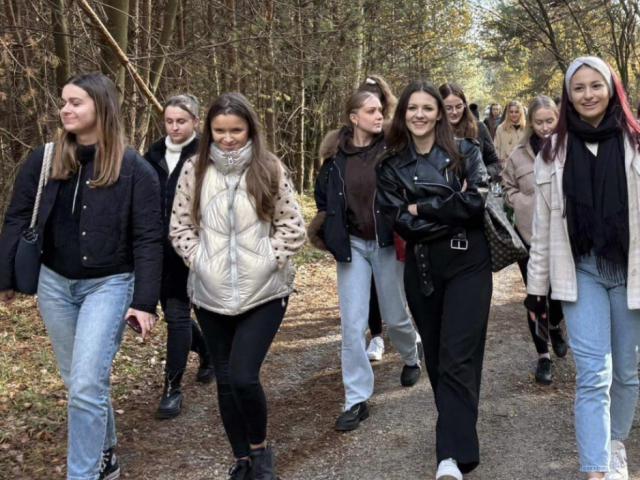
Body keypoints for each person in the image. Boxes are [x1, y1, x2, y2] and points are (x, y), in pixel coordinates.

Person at [0, 72, 162, 480]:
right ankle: (106, 454)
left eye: (76, 102)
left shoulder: (134, 168)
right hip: (54, 284)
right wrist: (4, 276)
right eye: (63, 102)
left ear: (101, 107)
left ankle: (83, 474)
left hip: (109, 284)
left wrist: (144, 303)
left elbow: (148, 239)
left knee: (88, 384)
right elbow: (18, 218)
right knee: (79, 383)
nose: (65, 109)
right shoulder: (44, 159)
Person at [170, 92, 306, 480]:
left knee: (244, 374)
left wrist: (266, 260)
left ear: (250, 129)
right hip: (210, 294)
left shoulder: (269, 168)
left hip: (264, 292)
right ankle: (241, 457)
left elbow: (292, 228)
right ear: (208, 131)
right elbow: (179, 227)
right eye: (219, 131)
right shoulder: (193, 171)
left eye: (236, 130)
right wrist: (201, 261)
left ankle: (261, 451)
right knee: (226, 381)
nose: (228, 138)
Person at [527, 56, 640, 480]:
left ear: (612, 89)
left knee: (627, 374)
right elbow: (541, 230)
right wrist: (535, 290)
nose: (588, 94)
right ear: (567, 96)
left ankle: (614, 444)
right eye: (579, 88)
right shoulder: (552, 152)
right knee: (594, 373)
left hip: (631, 271)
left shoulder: (636, 141)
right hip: (580, 271)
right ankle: (594, 470)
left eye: (596, 85)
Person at [377, 81, 491, 480]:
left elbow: (476, 201)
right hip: (422, 269)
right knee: (441, 361)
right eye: (413, 108)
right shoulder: (390, 166)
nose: (420, 115)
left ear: (441, 114)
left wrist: (422, 206)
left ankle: (451, 456)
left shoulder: (466, 152)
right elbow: (400, 223)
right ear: (403, 114)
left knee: (459, 355)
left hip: (468, 265)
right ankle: (459, 433)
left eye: (429, 108)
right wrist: (450, 211)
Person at [310, 90, 422, 432]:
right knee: (352, 323)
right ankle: (355, 399)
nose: (379, 115)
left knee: (395, 314)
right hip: (353, 247)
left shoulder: (393, 150)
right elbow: (321, 198)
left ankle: (410, 355)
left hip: (387, 242)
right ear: (353, 118)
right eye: (371, 111)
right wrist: (329, 230)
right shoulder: (334, 159)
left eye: (380, 110)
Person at [144, 94, 214, 419]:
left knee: (177, 314)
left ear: (196, 122)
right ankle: (207, 350)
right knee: (171, 313)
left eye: (181, 121)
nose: (174, 127)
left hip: (189, 247)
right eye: (169, 121)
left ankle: (172, 388)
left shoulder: (206, 155)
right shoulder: (153, 155)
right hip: (153, 248)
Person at [502, 95, 568, 385]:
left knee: (560, 297)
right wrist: (520, 201)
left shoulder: (569, 149)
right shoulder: (518, 154)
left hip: (565, 238)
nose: (544, 127)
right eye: (539, 122)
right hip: (530, 238)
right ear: (531, 122)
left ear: (558, 119)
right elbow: (506, 187)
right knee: (535, 298)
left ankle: (555, 325)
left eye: (549, 121)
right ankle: (543, 356)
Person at [355, 75, 399, 361]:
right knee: (368, 285)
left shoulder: (398, 138)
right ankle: (377, 336)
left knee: (395, 286)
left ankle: (406, 332)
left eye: (377, 104)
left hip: (394, 225)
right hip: (360, 230)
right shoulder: (342, 141)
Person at [439, 83, 503, 181]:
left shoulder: (479, 128)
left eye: (459, 106)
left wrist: (481, 175)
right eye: (448, 108)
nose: (454, 112)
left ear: (465, 105)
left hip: (475, 192)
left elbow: (496, 163)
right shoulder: (433, 133)